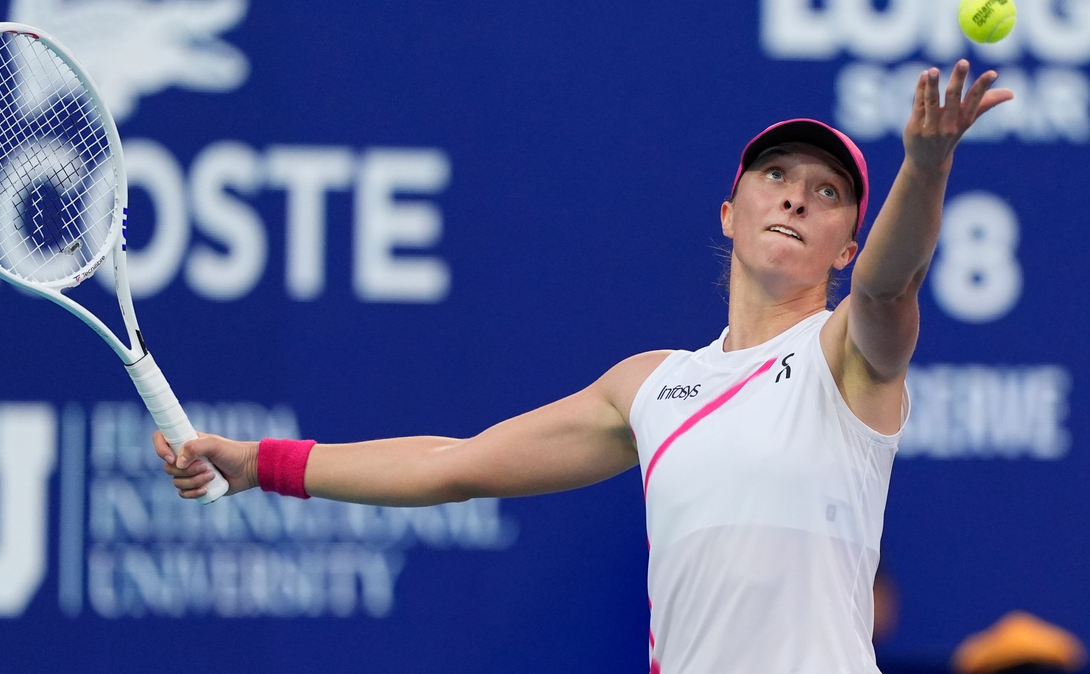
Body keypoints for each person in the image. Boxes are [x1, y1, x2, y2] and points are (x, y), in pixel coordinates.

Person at [154, 61, 1012, 673]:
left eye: (827, 193)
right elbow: (453, 465)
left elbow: (890, 280)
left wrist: (928, 162)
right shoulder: (648, 385)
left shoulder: (849, 357)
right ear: (730, 209)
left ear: (846, 243)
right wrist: (260, 463)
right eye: (775, 174)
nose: (794, 195)